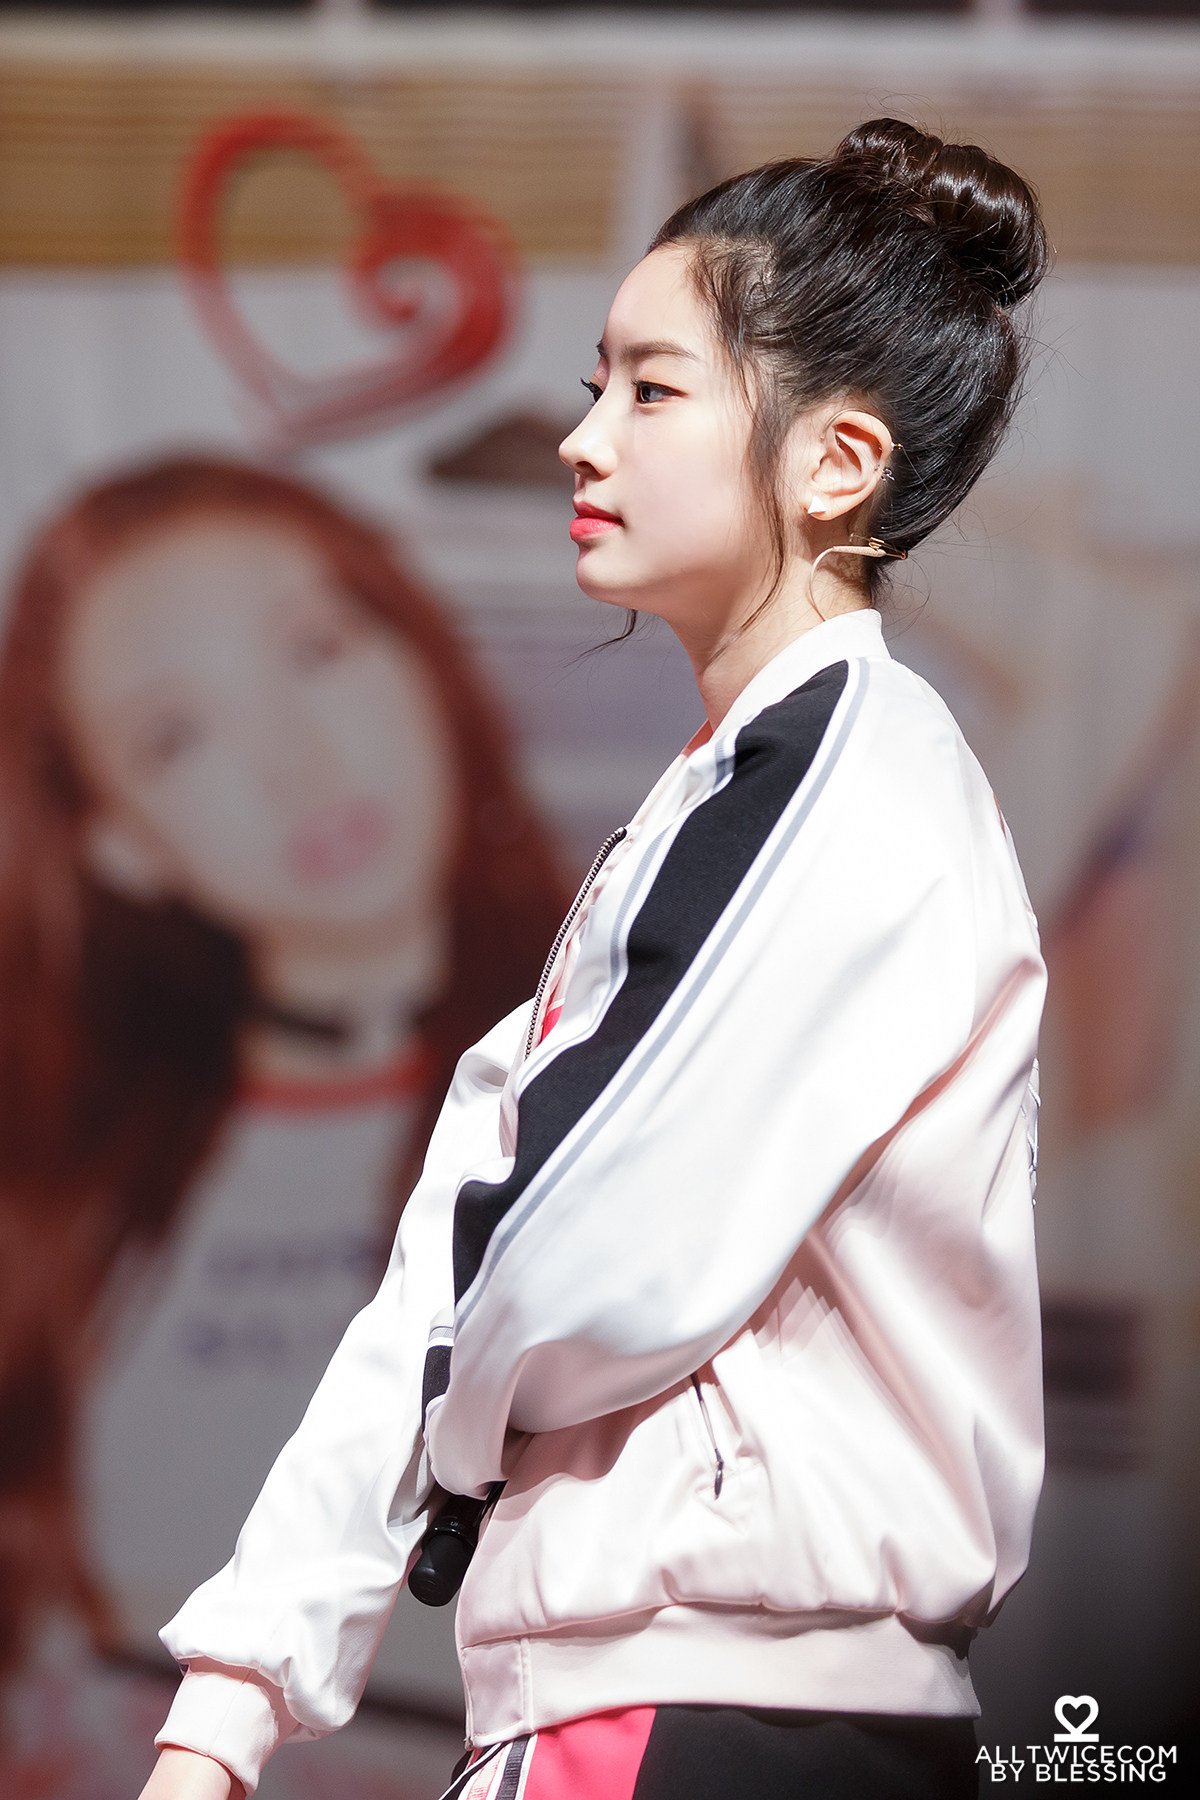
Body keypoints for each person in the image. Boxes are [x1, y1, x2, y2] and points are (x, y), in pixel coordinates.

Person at [138, 118, 1050, 1800]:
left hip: (701, 1703)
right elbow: (482, 1221)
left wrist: (443, 1439)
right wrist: (232, 1702)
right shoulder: (742, 792)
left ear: (835, 463)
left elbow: (549, 1244)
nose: (580, 437)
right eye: (593, 385)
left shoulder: (834, 776)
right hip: (686, 1691)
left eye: (650, 389)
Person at [0, 455, 568, 1792]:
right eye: (175, 735)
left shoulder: (643, 1068)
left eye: (317, 649)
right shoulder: (57, 1199)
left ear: (425, 658)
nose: (295, 764)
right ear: (118, 839)